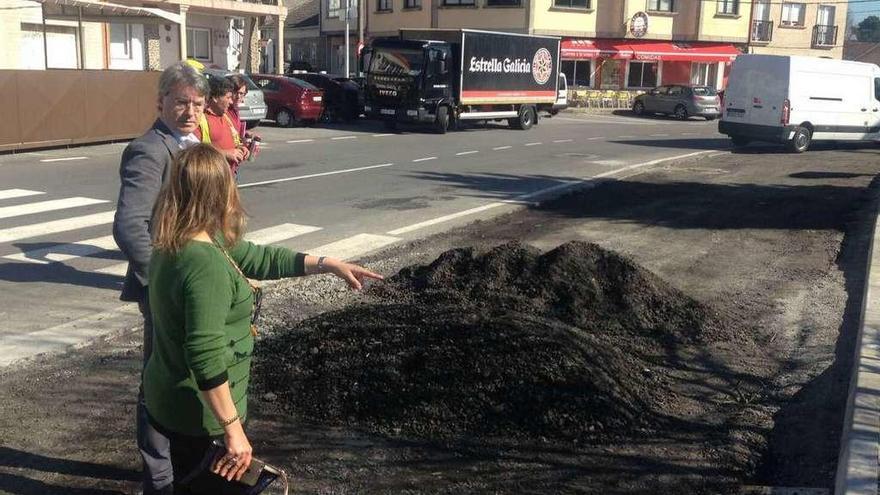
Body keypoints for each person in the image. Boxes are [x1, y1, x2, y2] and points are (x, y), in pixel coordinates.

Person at [144, 143, 383, 493]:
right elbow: (205, 354)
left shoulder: (179, 239)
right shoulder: (204, 262)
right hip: (199, 416)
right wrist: (233, 430)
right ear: (220, 191)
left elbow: (259, 257)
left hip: (170, 399)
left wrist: (328, 264)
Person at [113, 61, 210, 495]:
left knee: (184, 374)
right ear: (161, 103)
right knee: (158, 380)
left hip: (192, 284)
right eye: (181, 103)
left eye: (197, 103)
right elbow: (130, 224)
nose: (190, 111)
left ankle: (184, 463)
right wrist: (160, 284)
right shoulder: (150, 150)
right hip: (164, 289)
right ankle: (160, 478)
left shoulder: (191, 144)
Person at [196, 77, 249, 178]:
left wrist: (241, 148)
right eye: (228, 97)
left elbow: (235, 140)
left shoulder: (226, 117)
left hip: (230, 177)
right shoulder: (200, 119)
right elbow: (193, 152)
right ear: (215, 98)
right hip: (212, 180)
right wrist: (224, 154)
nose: (231, 102)